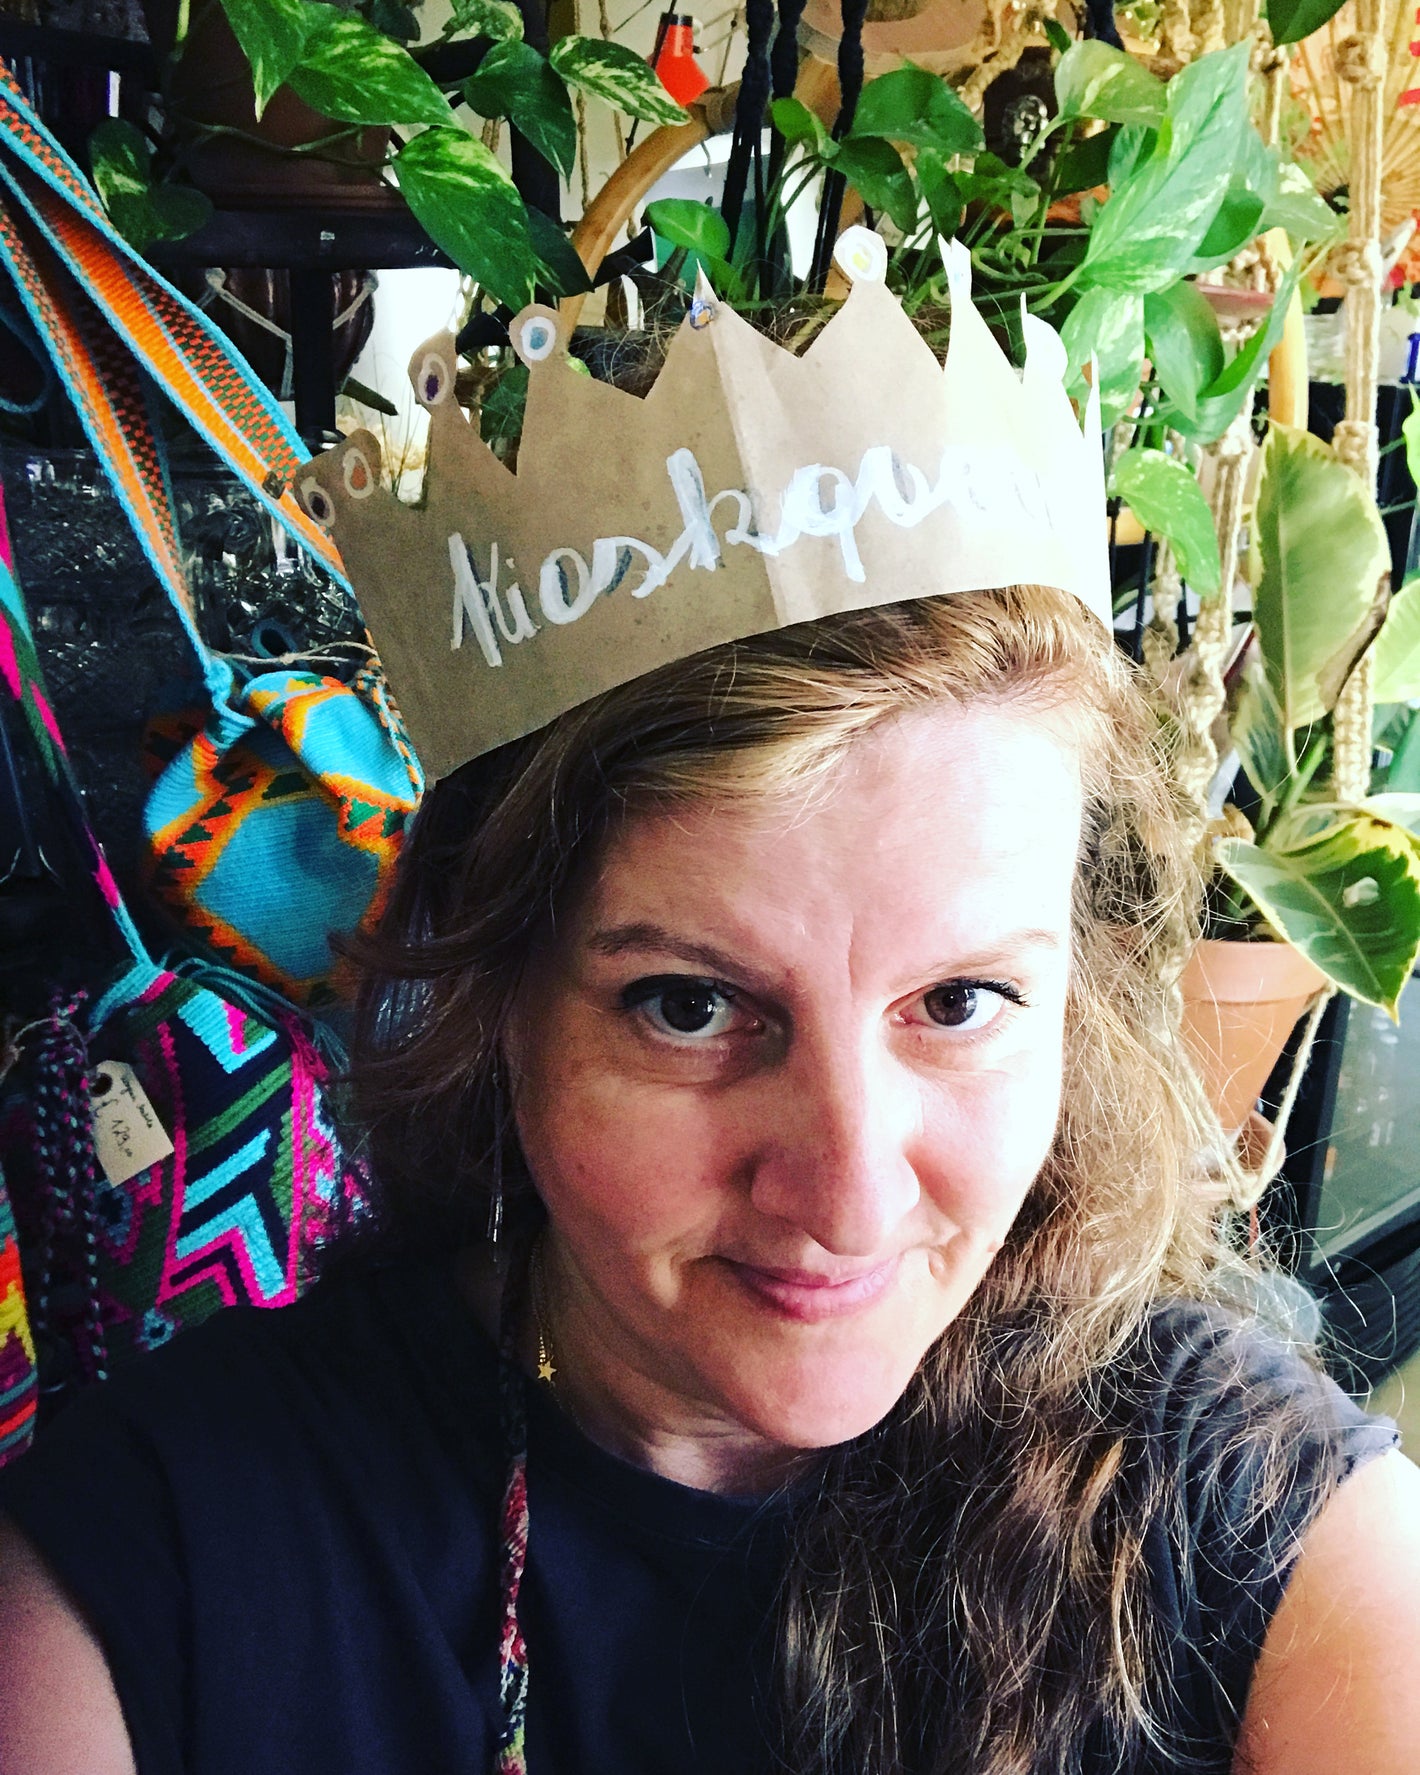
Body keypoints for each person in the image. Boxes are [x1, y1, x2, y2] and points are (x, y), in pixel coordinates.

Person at [1, 585, 1418, 1775]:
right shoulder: (150, 1575)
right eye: (689, 1007)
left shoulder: (1239, 1514)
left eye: (962, 1001)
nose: (849, 1199)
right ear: (496, 1007)